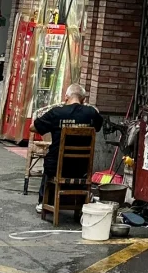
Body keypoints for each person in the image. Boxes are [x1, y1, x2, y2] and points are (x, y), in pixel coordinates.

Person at [32, 84, 103, 212]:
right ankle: (80, 201)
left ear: (66, 97)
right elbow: (98, 126)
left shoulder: (56, 112)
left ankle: (44, 202)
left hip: (56, 166)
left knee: (50, 160)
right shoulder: (91, 113)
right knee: (73, 167)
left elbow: (33, 127)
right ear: (84, 100)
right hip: (82, 167)